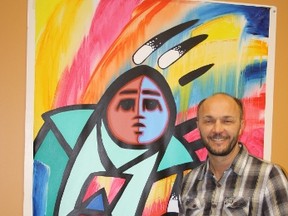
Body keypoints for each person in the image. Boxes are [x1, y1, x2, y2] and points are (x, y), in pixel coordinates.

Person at [178, 92, 288, 215]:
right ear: (198, 126)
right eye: (209, 121)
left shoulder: (269, 176)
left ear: (241, 126)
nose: (217, 130)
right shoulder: (189, 181)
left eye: (227, 121)